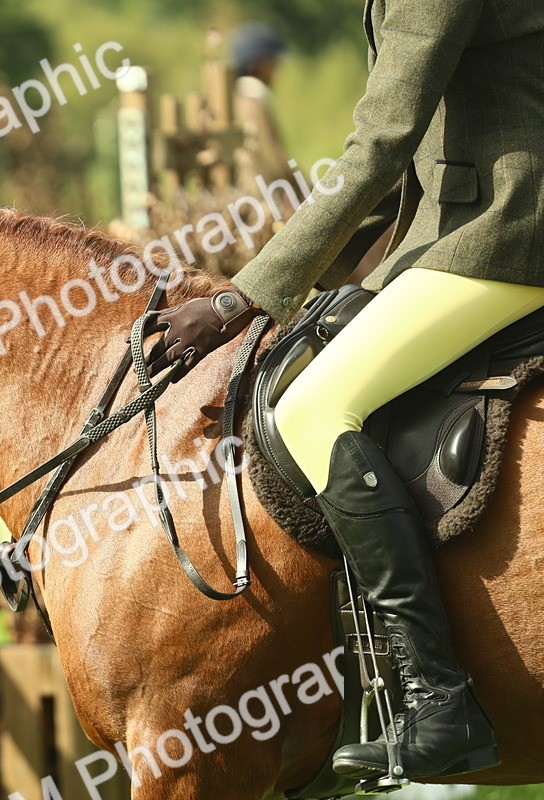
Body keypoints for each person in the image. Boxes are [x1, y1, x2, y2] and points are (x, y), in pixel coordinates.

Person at [144, 0, 544, 782]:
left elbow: (383, 143)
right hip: (466, 227)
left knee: (314, 408)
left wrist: (242, 296)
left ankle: (439, 701)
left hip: (509, 233)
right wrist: (330, 272)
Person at [231, 23, 297, 190]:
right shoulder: (251, 99)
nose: (277, 68)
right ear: (257, 65)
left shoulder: (237, 96)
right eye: (272, 61)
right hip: (260, 195)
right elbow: (275, 160)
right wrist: (310, 191)